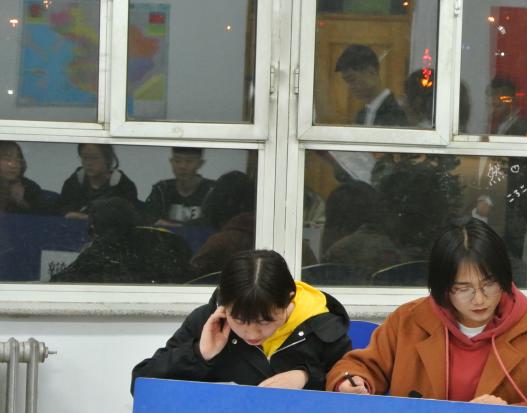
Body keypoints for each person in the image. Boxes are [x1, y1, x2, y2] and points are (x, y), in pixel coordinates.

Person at [326, 219, 527, 408]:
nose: (479, 299)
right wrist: (352, 382)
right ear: (443, 288)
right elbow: (360, 367)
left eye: (489, 284)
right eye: (463, 288)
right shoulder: (409, 321)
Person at [132, 249, 351, 392]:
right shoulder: (207, 322)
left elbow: (348, 390)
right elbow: (142, 385)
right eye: (238, 320)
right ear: (224, 304)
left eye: (265, 321)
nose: (252, 334)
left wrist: (306, 377)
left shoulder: (324, 328)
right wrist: (199, 354)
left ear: (288, 299)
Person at [50, 197, 192, 284]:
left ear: (98, 226)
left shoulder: (103, 249)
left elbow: (58, 283)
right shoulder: (166, 239)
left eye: (93, 223)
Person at [58, 143, 138, 219]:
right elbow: (62, 211)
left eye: (95, 158)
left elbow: (127, 218)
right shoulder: (72, 184)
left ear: (107, 159)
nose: (89, 163)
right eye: (85, 158)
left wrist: (87, 218)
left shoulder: (124, 187)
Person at [335, 44, 407, 127]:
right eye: (346, 81)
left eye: (352, 79)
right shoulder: (361, 115)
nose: (349, 86)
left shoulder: (397, 112)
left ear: (371, 72)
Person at [143, 146, 213, 226]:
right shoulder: (162, 189)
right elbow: (149, 220)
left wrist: (175, 227)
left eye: (189, 161)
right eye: (177, 161)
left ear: (200, 163)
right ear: (171, 162)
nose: (182, 166)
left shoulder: (212, 191)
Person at [0, 141, 51, 214]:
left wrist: (21, 202)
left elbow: (46, 216)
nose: (13, 165)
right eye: (7, 159)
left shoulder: (29, 187)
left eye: (18, 160)